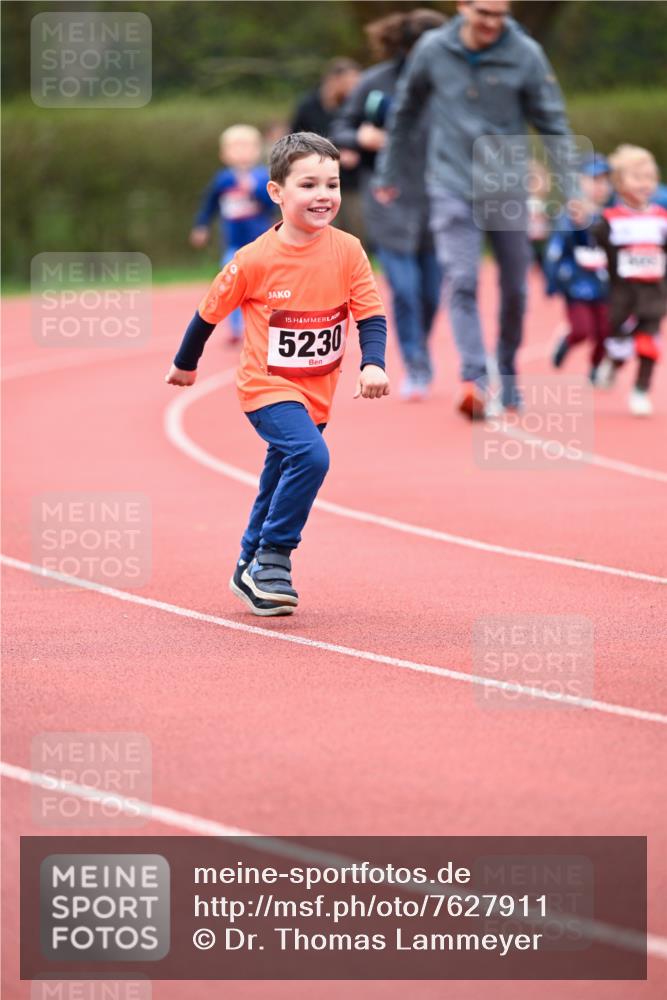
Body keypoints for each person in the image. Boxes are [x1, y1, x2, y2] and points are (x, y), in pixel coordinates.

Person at [165, 133, 390, 615]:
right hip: (266, 387)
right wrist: (186, 365)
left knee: (280, 474)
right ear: (277, 193)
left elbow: (369, 315)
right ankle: (275, 556)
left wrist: (374, 362)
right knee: (311, 458)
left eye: (332, 184)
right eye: (308, 184)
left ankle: (248, 565)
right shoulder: (253, 259)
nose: (323, 194)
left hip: (319, 390)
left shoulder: (349, 250)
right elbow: (206, 315)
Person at [374, 0, 578, 420]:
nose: (492, 23)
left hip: (506, 186)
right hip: (451, 183)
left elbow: (553, 123)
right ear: (462, 7)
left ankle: (507, 368)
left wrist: (571, 187)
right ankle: (474, 378)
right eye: (484, 13)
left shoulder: (525, 54)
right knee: (461, 278)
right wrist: (388, 172)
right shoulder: (433, 49)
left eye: (501, 15)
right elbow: (406, 111)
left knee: (516, 289)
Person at [331, 8, 446, 401]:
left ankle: (419, 348)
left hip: (439, 196)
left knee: (432, 292)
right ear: (411, 47)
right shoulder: (375, 83)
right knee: (406, 288)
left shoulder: (450, 84)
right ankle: (415, 361)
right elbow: (340, 129)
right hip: (389, 197)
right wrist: (361, 138)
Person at [592, 145, 667, 417]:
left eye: (650, 177)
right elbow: (593, 246)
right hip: (623, 294)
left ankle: (641, 390)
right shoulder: (609, 220)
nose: (645, 183)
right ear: (619, 183)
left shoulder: (662, 218)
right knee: (621, 344)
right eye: (637, 177)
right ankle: (613, 361)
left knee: (648, 343)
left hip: (654, 292)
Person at [189, 124, 275, 343]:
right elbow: (208, 205)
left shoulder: (262, 177)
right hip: (234, 245)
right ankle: (237, 328)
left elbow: (272, 205)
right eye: (235, 148)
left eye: (246, 147)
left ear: (257, 151)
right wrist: (201, 226)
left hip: (259, 245)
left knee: (263, 287)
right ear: (224, 154)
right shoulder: (223, 180)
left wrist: (253, 190)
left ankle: (264, 324)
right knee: (232, 285)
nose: (241, 153)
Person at [546, 154, 611, 383]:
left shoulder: (612, 213)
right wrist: (552, 282)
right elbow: (555, 249)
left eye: (604, 180)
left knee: (605, 332)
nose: (599, 186)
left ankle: (594, 368)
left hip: (604, 285)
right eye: (593, 179)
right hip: (576, 283)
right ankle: (567, 341)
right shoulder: (570, 215)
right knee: (583, 329)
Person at [290, 58, 364, 241]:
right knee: (320, 234)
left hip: (351, 183)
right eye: (350, 83)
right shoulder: (307, 106)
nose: (355, 89)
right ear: (334, 80)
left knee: (354, 234)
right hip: (315, 182)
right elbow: (293, 142)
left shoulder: (353, 107)